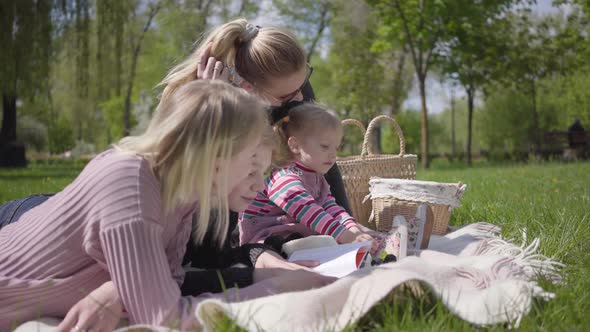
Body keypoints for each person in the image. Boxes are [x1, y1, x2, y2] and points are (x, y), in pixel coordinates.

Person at [0, 81, 334, 331]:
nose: (259, 182)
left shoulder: (182, 196)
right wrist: (273, 289)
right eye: (251, 164)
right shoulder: (130, 183)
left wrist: (117, 290)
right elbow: (166, 318)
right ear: (216, 157)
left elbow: (169, 280)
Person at [238, 102, 433, 258]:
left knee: (352, 230)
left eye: (336, 148)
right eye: (324, 146)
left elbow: (332, 208)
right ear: (295, 145)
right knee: (329, 239)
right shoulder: (284, 177)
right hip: (268, 242)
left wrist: (353, 229)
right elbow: (308, 211)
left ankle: (389, 242)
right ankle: (372, 250)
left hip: (299, 235)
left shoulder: (317, 178)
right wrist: (346, 235)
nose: (332, 155)